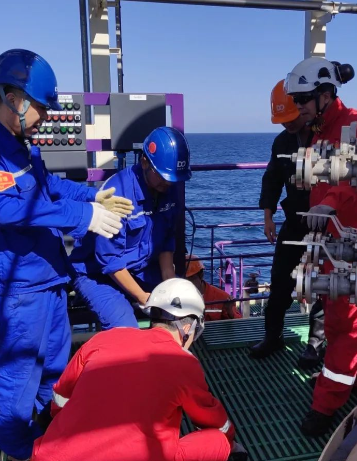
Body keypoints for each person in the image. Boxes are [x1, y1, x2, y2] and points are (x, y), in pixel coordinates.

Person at [0, 49, 133, 460]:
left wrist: (93, 196)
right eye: (42, 108)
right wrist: (84, 217)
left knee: (55, 371)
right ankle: (19, 451)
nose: (47, 118)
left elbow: (47, 187)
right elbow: (9, 209)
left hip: (48, 277)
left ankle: (51, 439)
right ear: (15, 100)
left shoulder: (20, 144)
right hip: (18, 290)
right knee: (17, 383)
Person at [284, 56, 357, 436]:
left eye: (303, 99)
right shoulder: (322, 131)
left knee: (344, 318)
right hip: (338, 231)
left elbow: (356, 175)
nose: (298, 107)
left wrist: (327, 203)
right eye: (296, 100)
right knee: (342, 308)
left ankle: (326, 403)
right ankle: (354, 377)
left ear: (325, 94)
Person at [31, 278, 248, 461]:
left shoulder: (104, 339)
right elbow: (211, 418)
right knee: (218, 441)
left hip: (51, 454)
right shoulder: (182, 362)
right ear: (188, 327)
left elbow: (60, 396)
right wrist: (229, 439)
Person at [70, 126, 192, 330]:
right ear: (144, 162)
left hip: (141, 269)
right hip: (98, 274)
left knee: (183, 311)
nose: (167, 183)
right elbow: (109, 260)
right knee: (126, 327)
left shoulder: (168, 189)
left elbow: (166, 243)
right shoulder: (118, 194)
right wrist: (144, 297)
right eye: (162, 176)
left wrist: (169, 285)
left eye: (172, 179)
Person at [249, 80, 325, 369]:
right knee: (281, 279)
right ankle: (273, 336)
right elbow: (272, 179)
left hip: (326, 224)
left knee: (325, 284)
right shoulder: (281, 143)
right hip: (294, 222)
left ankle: (315, 344)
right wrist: (268, 216)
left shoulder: (325, 139)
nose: (288, 124)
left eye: (291, 117)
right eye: (282, 120)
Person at [185, 255, 242, 321]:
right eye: (183, 280)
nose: (186, 283)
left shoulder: (222, 298)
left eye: (191, 279)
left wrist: (229, 311)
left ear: (201, 275)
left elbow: (238, 322)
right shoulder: (177, 296)